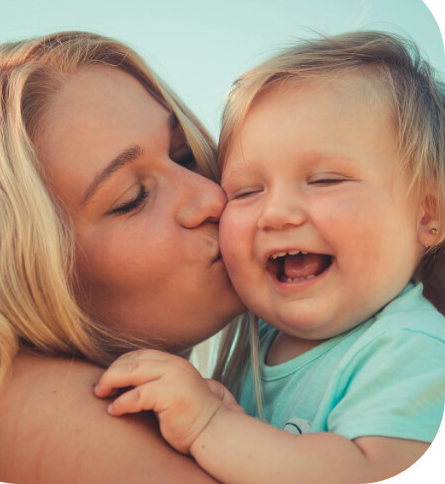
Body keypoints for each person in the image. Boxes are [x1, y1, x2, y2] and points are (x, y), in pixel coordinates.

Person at [94, 31, 445, 484]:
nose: (275, 214)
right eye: (246, 191)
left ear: (427, 216)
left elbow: (372, 472)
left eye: (323, 180)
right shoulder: (253, 333)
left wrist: (211, 425)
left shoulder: (413, 347)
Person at [0, 31, 247, 483]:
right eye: (132, 198)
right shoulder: (7, 404)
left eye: (184, 154)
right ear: (18, 274)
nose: (210, 198)